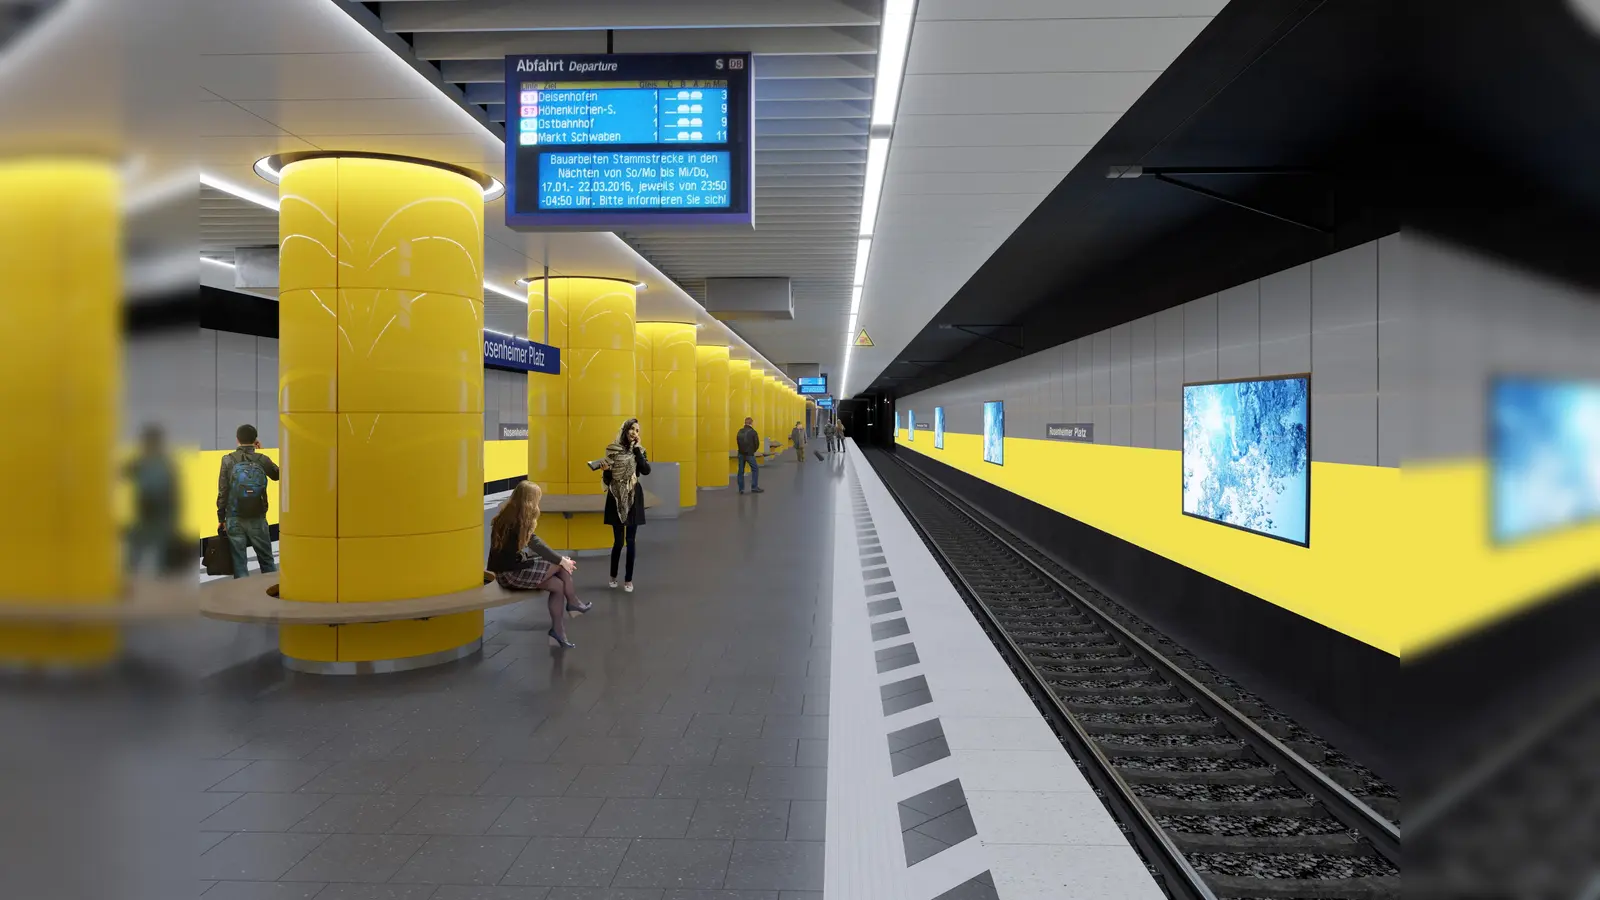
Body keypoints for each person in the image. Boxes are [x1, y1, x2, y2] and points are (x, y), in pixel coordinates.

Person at [487, 481, 588, 648]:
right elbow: (537, 545)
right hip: (509, 574)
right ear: (529, 500)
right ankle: (573, 602)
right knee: (561, 566)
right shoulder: (517, 521)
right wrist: (563, 560)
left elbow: (534, 542)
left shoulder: (509, 515)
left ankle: (558, 632)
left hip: (509, 570)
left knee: (557, 585)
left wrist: (560, 559)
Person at [217, 424, 280, 578]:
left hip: (234, 517)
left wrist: (221, 518)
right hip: (257, 517)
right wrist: (263, 453)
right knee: (266, 561)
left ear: (237, 439)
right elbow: (278, 475)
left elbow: (223, 491)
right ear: (255, 440)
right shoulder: (262, 459)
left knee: (239, 563)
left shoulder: (227, 460)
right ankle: (271, 593)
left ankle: (242, 598)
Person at [125, 424, 182, 576]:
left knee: (150, 552)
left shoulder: (159, 463)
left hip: (157, 514)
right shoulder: (147, 462)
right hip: (149, 514)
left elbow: (172, 493)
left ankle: (142, 580)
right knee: (139, 549)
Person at [602, 418, 650, 592]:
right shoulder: (612, 450)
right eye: (631, 429)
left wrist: (637, 451)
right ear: (624, 430)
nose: (634, 433)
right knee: (617, 542)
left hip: (633, 498)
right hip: (615, 497)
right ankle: (612, 576)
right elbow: (608, 481)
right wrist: (606, 472)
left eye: (637, 430)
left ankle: (628, 580)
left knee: (631, 541)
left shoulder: (640, 451)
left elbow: (645, 470)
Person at [735, 416, 763, 494]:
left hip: (741, 453)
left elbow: (737, 441)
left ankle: (741, 489)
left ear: (745, 423)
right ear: (751, 423)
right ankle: (754, 487)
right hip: (749, 454)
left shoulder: (740, 431)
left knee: (741, 471)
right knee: (755, 469)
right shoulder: (753, 432)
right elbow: (756, 443)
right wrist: (753, 451)